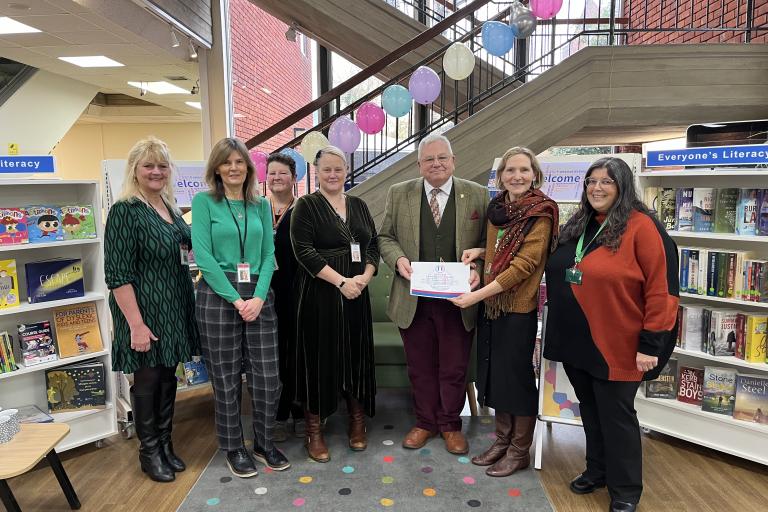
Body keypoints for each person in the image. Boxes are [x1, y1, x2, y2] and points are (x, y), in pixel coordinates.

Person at [543, 157, 679, 512]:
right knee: (590, 410)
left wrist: (651, 344)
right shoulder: (581, 222)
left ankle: (625, 490)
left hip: (618, 343)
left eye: (607, 181)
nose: (597, 188)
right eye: (591, 181)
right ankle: (597, 471)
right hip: (578, 340)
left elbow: (662, 291)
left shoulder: (643, 227)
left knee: (617, 416)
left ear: (623, 186)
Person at [449, 147, 558, 477]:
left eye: (524, 170)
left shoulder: (540, 212)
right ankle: (501, 440)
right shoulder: (498, 209)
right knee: (494, 375)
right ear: (501, 176)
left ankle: (519, 449)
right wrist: (481, 253)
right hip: (493, 307)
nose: (517, 176)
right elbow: (500, 252)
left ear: (535, 174)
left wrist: (476, 295)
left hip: (517, 308)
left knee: (518, 380)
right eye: (510, 170)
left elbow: (523, 265)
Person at [379, 133, 488, 455]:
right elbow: (385, 237)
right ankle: (425, 422)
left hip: (459, 301)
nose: (436, 163)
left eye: (442, 157)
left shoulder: (478, 194)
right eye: (429, 159)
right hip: (414, 299)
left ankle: (450, 425)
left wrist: (478, 269)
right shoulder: (399, 194)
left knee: (454, 366)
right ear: (419, 165)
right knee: (420, 365)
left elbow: (489, 244)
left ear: (453, 161)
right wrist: (398, 260)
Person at [192, 137, 289, 478]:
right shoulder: (204, 203)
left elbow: (267, 255)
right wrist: (235, 299)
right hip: (218, 297)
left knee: (267, 378)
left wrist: (259, 298)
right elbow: (203, 256)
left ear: (249, 167)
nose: (234, 168)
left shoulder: (260, 204)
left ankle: (263, 442)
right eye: (226, 162)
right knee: (226, 378)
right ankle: (234, 446)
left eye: (240, 162)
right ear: (216, 168)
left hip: (259, 294)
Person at [104, 136, 199, 483]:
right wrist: (136, 325)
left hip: (173, 305)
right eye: (149, 166)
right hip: (144, 310)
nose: (156, 171)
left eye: (162, 166)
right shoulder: (125, 211)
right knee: (146, 380)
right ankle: (148, 452)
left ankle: (164, 443)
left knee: (167, 378)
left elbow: (190, 245)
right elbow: (117, 275)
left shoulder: (170, 208)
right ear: (135, 170)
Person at [290, 145, 379, 463]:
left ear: (346, 171)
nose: (332, 174)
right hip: (320, 294)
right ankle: (314, 431)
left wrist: (364, 278)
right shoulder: (306, 206)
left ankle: (357, 422)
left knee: (355, 354)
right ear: (316, 172)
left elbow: (373, 245)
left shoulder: (359, 204)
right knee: (319, 358)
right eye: (326, 169)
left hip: (357, 293)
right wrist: (341, 282)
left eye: (338, 169)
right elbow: (304, 252)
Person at [265, 152, 304, 441]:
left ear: (293, 177)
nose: (277, 178)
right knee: (272, 356)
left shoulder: (304, 208)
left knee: (297, 352)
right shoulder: (256, 209)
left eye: (282, 173)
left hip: (298, 291)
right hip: (263, 293)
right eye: (272, 173)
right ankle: (278, 414)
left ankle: (300, 411)